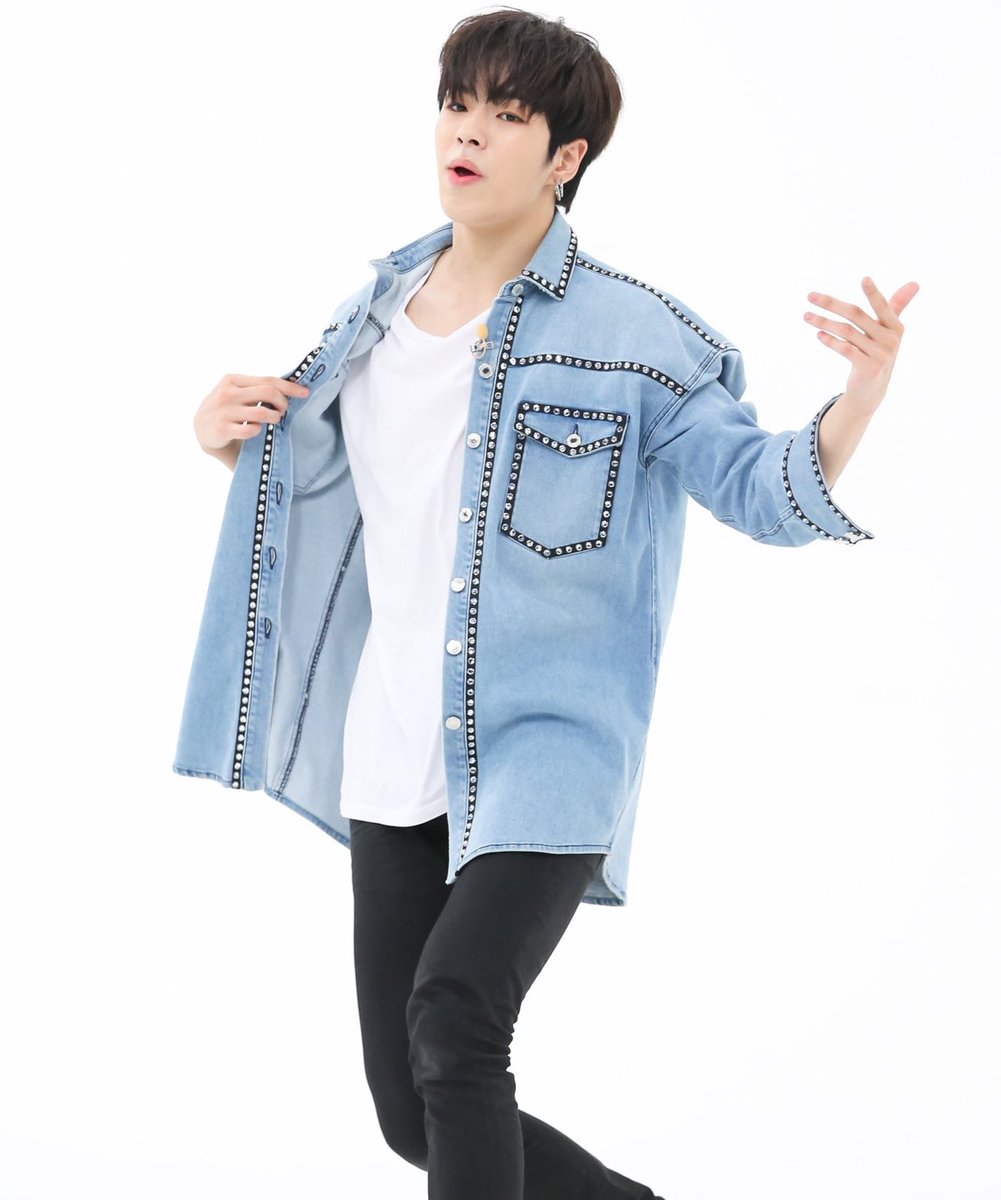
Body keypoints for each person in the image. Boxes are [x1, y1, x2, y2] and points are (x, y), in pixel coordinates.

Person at [175, 7, 918, 1198]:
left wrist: (859, 399)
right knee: (411, 1110)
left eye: (505, 115)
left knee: (454, 1019)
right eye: (455, 104)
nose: (465, 133)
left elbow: (760, 488)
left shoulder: (638, 337)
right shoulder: (372, 312)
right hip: (393, 743)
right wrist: (230, 443)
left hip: (548, 745)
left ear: (564, 157)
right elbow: (355, 499)